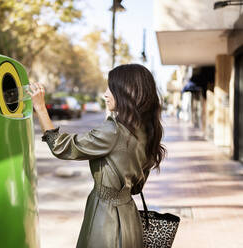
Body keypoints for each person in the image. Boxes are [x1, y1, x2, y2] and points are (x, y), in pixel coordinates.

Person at [28, 64, 166, 248]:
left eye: (111, 88)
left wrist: (40, 108)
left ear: (127, 92)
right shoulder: (147, 130)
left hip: (106, 218)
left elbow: (60, 146)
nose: (105, 94)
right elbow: (136, 187)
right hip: (130, 217)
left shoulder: (114, 131)